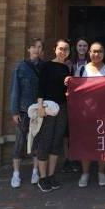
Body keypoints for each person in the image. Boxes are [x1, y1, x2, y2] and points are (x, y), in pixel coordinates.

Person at [74, 42, 105, 188]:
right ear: (89, 53)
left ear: (104, 53)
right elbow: (75, 91)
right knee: (86, 143)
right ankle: (85, 173)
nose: (96, 54)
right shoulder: (81, 70)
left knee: (103, 144)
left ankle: (101, 172)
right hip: (86, 114)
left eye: (99, 51)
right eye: (93, 51)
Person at [35, 39, 72, 193]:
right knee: (45, 140)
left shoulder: (66, 68)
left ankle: (51, 175)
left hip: (62, 108)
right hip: (48, 107)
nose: (63, 51)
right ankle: (42, 177)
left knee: (57, 140)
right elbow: (40, 86)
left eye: (66, 49)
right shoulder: (46, 66)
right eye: (61, 49)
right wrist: (40, 106)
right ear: (55, 49)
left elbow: (65, 90)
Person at [9, 38, 43, 188]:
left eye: (39, 47)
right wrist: (14, 111)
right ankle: (16, 174)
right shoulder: (21, 67)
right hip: (23, 110)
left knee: (37, 141)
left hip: (38, 111)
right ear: (28, 49)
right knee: (20, 141)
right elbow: (15, 90)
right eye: (33, 47)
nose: (36, 49)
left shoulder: (44, 67)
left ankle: (35, 171)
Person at [63, 38, 89, 174]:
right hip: (71, 101)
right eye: (80, 45)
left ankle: (82, 157)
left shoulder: (91, 63)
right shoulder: (69, 63)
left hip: (86, 103)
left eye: (85, 45)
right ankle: (69, 159)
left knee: (82, 130)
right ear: (76, 47)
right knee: (69, 132)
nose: (82, 48)